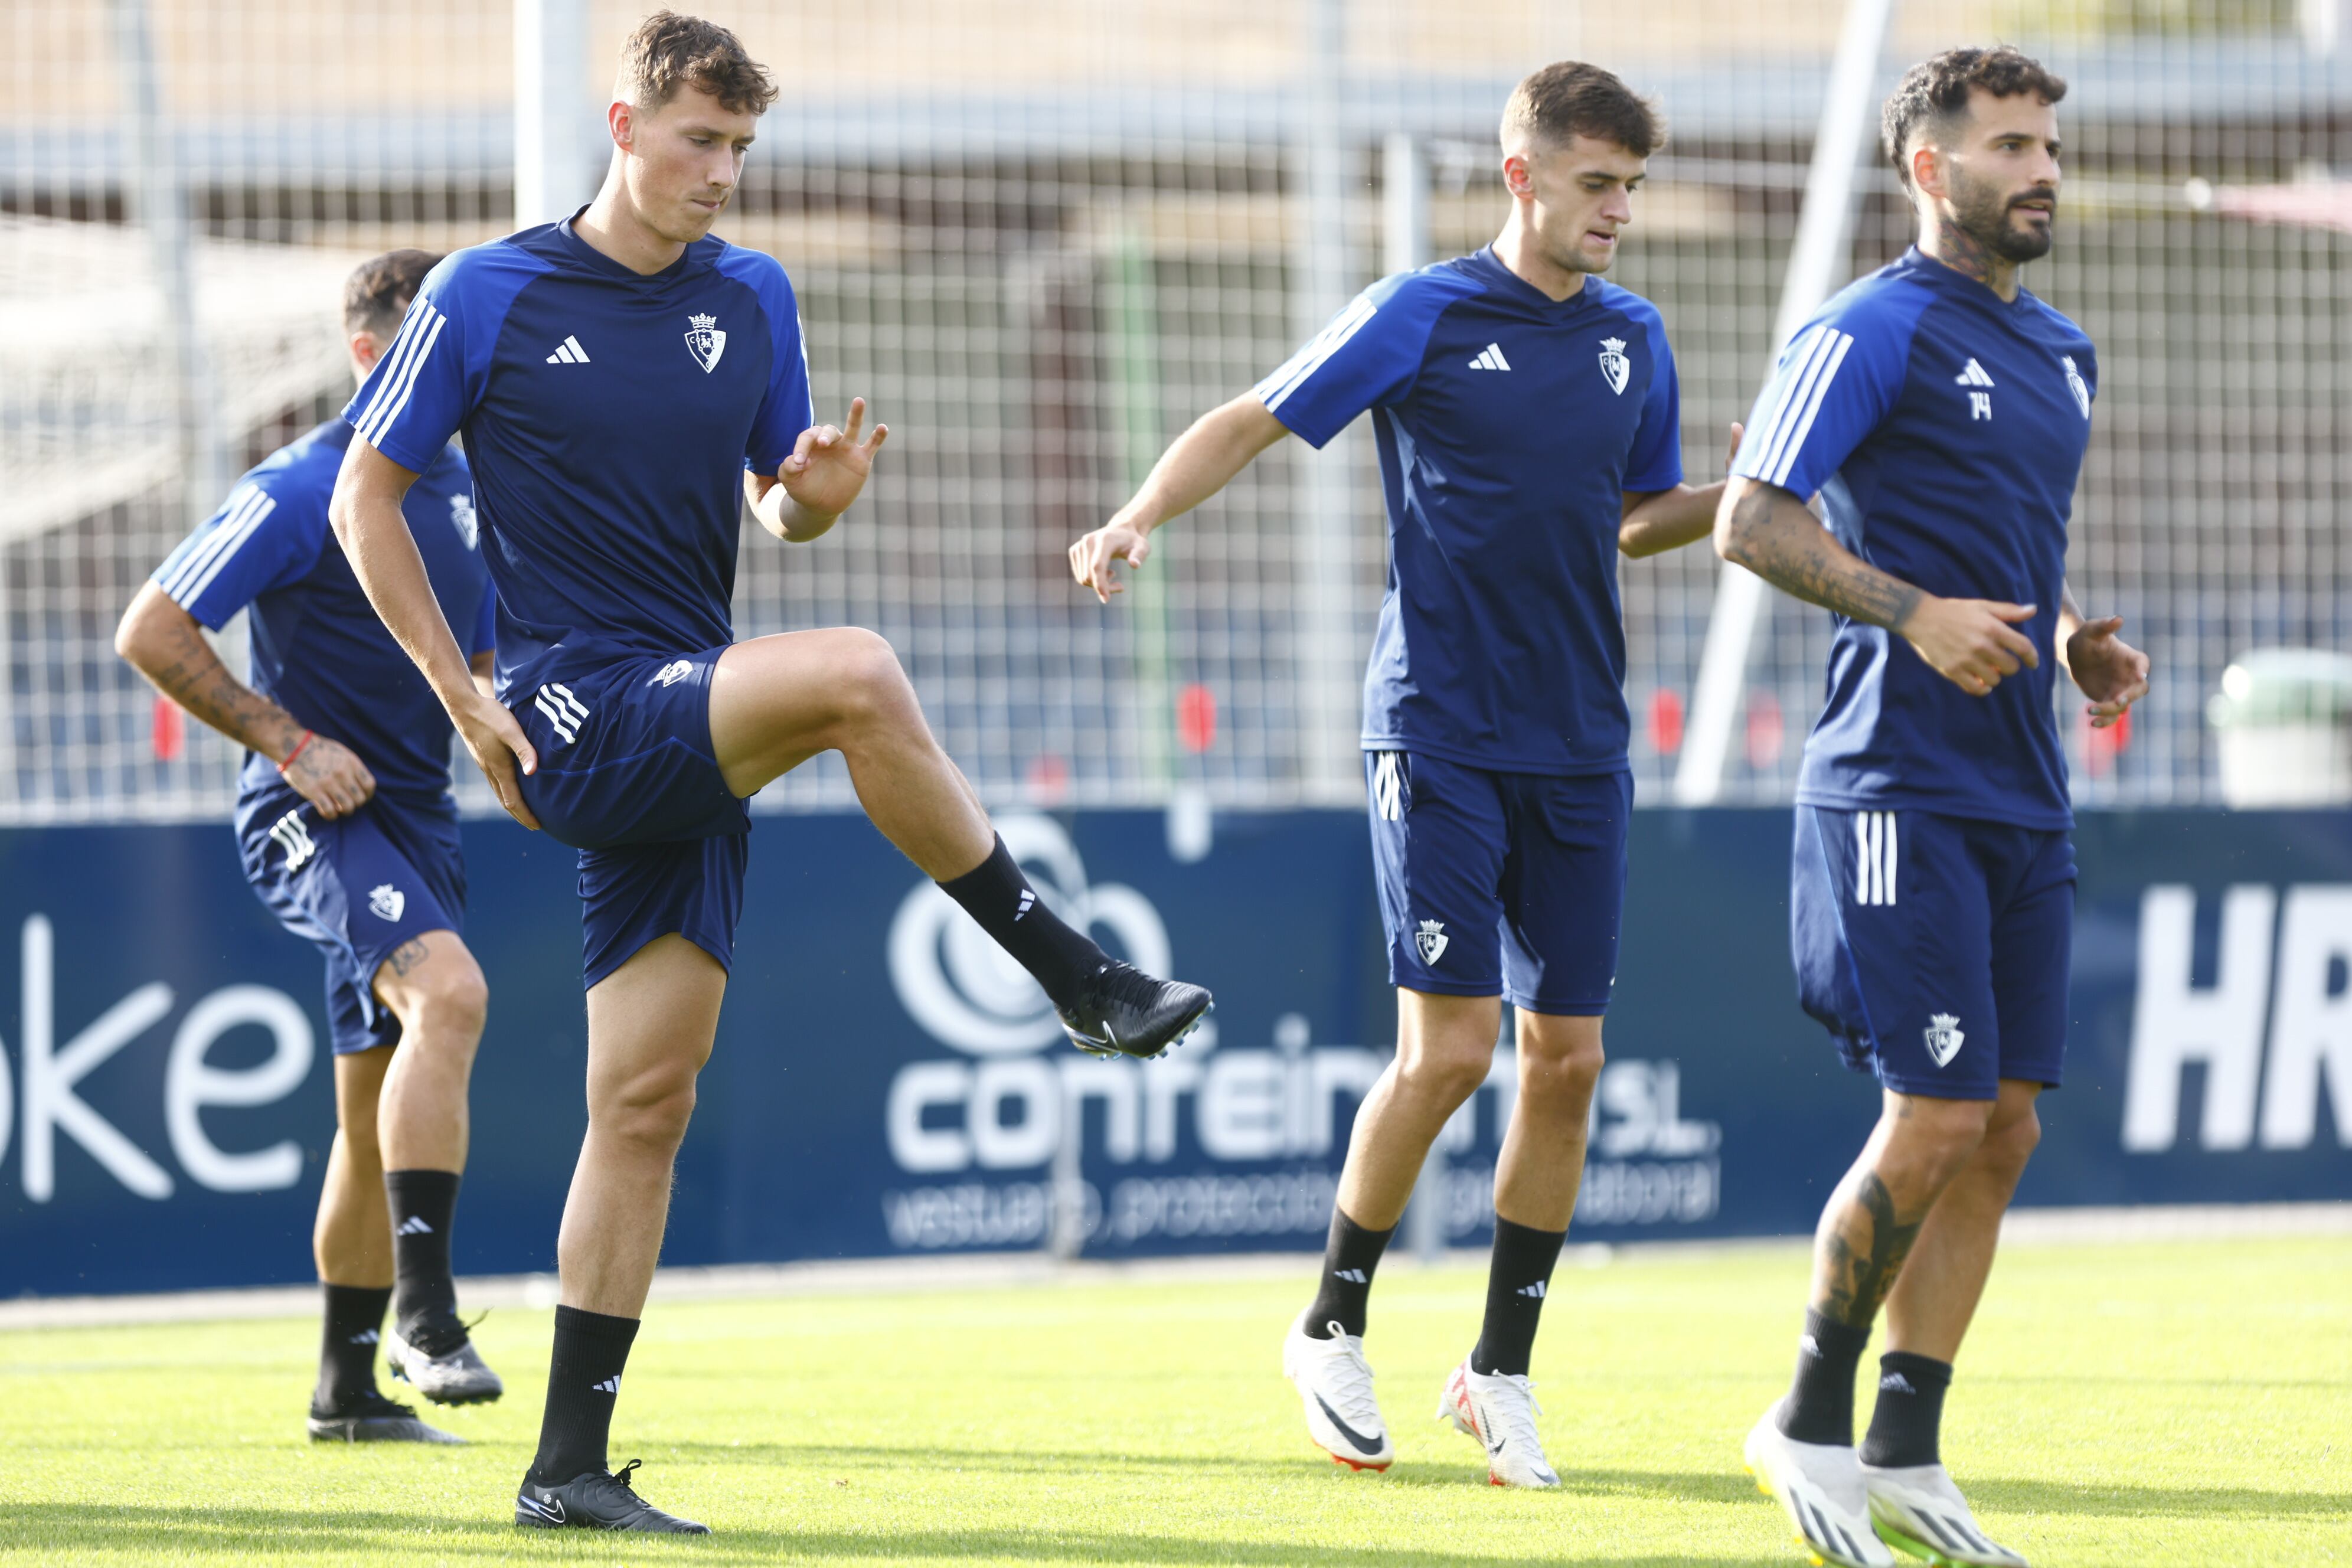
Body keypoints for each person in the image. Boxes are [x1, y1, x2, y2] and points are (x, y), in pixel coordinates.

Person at [326, 11, 1210, 1533]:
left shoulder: (753, 293)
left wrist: (814, 502)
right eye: (699, 142)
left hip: (687, 705)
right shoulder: (489, 291)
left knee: (647, 1101)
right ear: (623, 126)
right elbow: (364, 492)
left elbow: (776, 508)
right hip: (572, 703)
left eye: (741, 147)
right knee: (859, 671)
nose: (724, 173)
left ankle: (565, 1468)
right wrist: (461, 692)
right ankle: (1079, 977)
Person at [1072, 63, 1734, 1488]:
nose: (1619, 211)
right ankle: (1331, 1323)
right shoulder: (1421, 312)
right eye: (1597, 183)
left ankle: (1499, 1372)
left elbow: (1636, 520)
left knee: (1571, 1058)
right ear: (1523, 176)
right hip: (1436, 730)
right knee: (1451, 1048)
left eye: (1632, 186)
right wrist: (1136, 513)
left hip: (1581, 746)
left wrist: (1740, 501)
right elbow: (1254, 414)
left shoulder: (1634, 335)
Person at [1719, 47, 2149, 1568]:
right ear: (1930, 169)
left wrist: (2075, 634)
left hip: (2024, 788)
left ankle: (1907, 1445)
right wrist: (1913, 613)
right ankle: (1806, 1419)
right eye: (2012, 145)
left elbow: (2010, 540)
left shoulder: (2067, 350)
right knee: (1939, 1113)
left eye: (2050, 144)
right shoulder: (1864, 330)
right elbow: (1748, 519)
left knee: (2009, 1123)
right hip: (1893, 780)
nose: (2043, 168)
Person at [116, 250, 504, 1444]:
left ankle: (345, 1392)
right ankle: (427, 1316)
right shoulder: (304, 485)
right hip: (314, 813)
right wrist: (288, 742)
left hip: (415, 818)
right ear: (371, 356)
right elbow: (152, 625)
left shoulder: (458, 495)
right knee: (452, 993)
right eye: (432, 356)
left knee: (371, 1108)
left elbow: (481, 681)